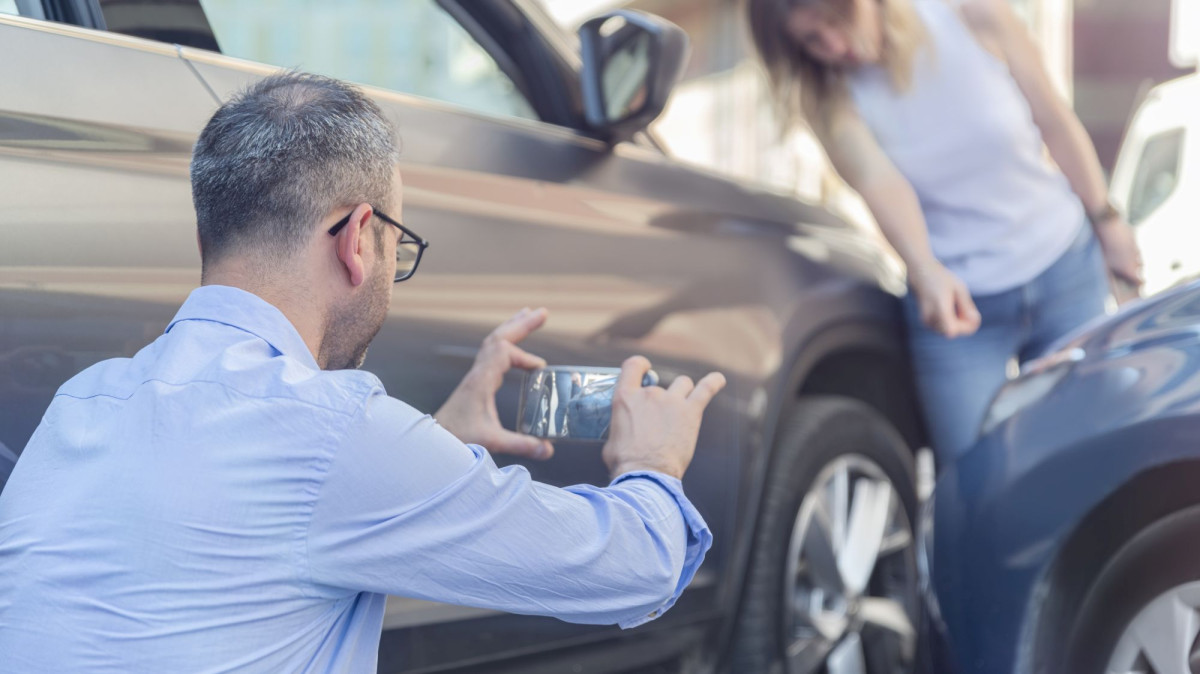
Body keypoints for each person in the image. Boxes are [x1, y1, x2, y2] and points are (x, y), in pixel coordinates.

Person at [0, 72, 726, 672]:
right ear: (356, 239)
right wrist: (652, 463)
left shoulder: (83, 402)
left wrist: (437, 438)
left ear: (205, 234)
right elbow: (632, 568)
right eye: (394, 243)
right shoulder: (334, 432)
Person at [747, 0, 1144, 463]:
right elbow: (881, 182)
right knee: (973, 479)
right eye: (811, 40)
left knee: (1100, 448)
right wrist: (925, 270)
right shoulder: (828, 97)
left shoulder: (970, 15)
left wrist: (1107, 221)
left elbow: (1055, 120)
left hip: (1063, 269)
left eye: (837, 22)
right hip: (957, 308)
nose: (833, 46)